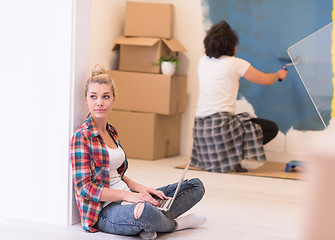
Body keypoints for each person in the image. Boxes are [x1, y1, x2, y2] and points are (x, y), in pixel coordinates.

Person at [70, 64, 206, 240]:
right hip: (105, 211)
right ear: (86, 99)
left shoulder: (112, 131)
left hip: (129, 197)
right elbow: (85, 189)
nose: (99, 103)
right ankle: (176, 225)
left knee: (195, 186)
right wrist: (131, 197)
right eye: (93, 97)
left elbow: (117, 174)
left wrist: (143, 189)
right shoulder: (81, 137)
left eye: (105, 97)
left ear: (113, 99)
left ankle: (147, 225)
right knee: (145, 212)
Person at [191, 20, 288, 173]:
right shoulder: (235, 63)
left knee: (242, 122)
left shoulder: (203, 62)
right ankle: (231, 160)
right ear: (232, 46)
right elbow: (266, 80)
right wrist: (279, 74)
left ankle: (228, 160)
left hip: (200, 130)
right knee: (270, 128)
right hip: (219, 127)